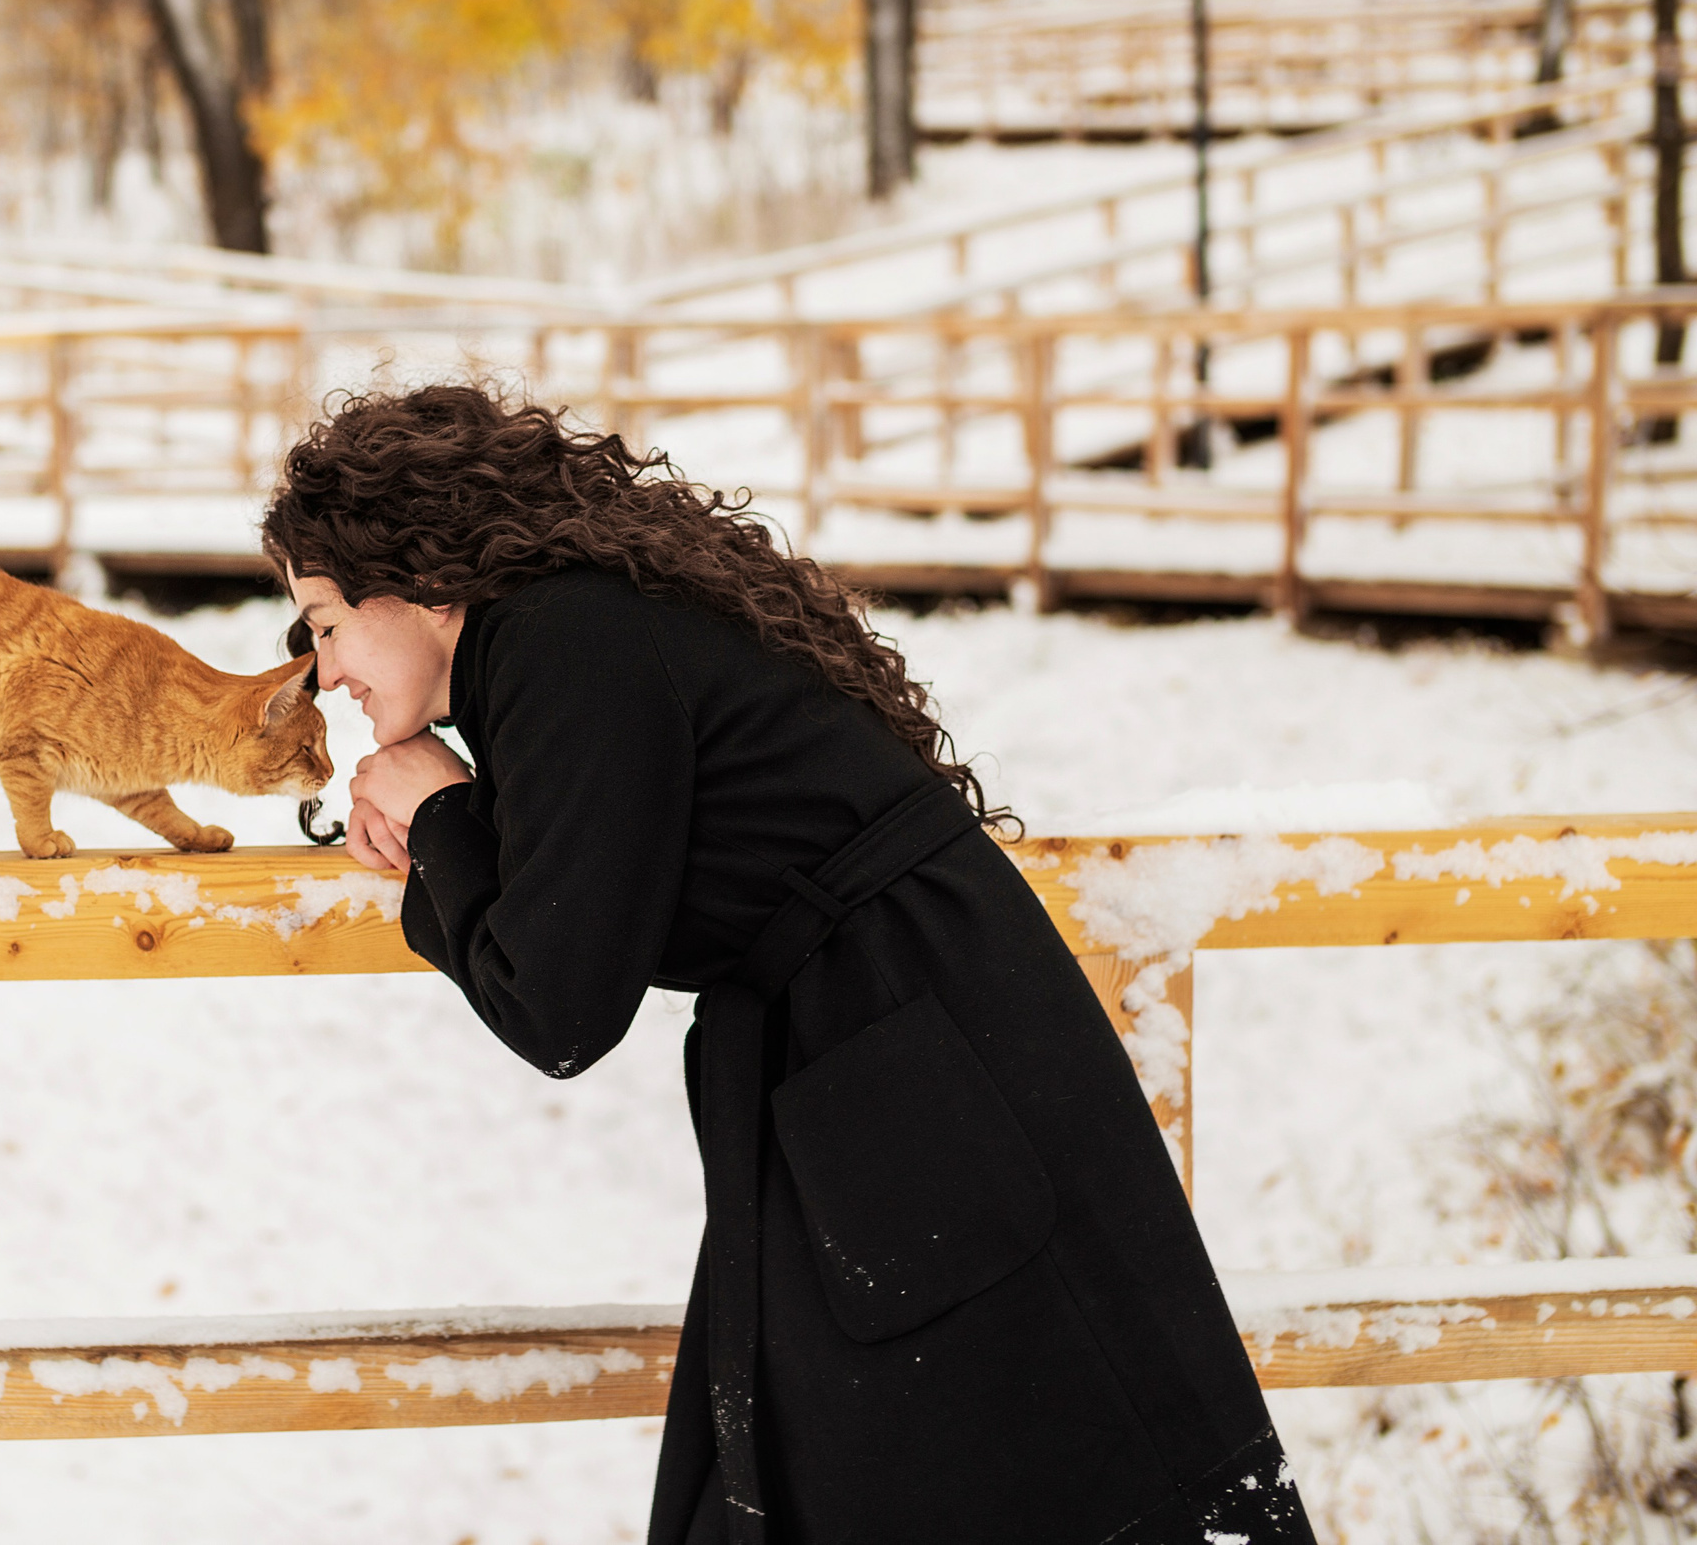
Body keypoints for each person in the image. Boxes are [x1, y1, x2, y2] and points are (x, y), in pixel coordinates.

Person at [262, 384, 1317, 1545]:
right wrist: (453, 824)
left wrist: (451, 826)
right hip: (897, 1032)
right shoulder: (568, 638)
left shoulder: (561, 639)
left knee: (982, 1450)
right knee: (889, 1455)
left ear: (423, 576)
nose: (325, 672)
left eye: (322, 621)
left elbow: (556, 1005)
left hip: (905, 1048)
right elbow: (600, 874)